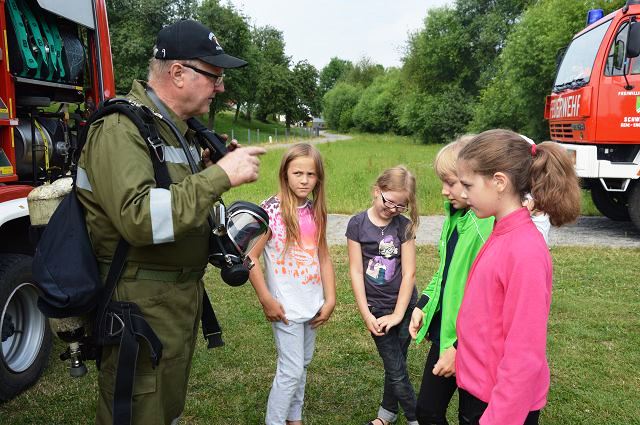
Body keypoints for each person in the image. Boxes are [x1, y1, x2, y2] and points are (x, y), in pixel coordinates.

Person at [76, 19, 266, 425]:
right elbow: (140, 219)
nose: (221, 86)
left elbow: (174, 195)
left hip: (172, 304)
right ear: (177, 73)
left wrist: (208, 169)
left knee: (163, 409)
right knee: (139, 411)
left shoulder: (172, 130)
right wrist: (220, 176)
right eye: (213, 75)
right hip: (140, 307)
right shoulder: (120, 128)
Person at [454, 129, 581, 425]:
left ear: (499, 182)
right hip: (481, 392)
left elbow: (525, 353)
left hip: (502, 408)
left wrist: (498, 418)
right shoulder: (500, 233)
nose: (462, 194)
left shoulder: (525, 251)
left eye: (468, 185)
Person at [247, 143, 336, 425]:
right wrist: (266, 299)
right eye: (297, 172)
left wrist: (330, 298)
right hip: (285, 307)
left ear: (318, 177)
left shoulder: (315, 211)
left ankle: (293, 418)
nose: (304, 180)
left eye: (311, 174)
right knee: (291, 370)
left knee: (302, 365)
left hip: (311, 304)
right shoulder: (269, 211)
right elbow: (250, 258)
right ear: (285, 173)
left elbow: (323, 256)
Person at [408, 137, 494, 425]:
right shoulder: (454, 218)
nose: (444, 191)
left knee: (472, 417)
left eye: (451, 182)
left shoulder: (487, 227)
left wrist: (459, 347)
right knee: (427, 411)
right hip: (446, 333)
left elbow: (489, 300)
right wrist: (423, 304)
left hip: (471, 343)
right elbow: (446, 274)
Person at [346, 166, 420, 425]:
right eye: (389, 202)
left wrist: (400, 314)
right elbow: (356, 271)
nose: (393, 210)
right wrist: (366, 314)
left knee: (396, 365)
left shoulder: (404, 225)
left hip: (405, 306)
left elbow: (409, 274)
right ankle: (415, 418)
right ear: (377, 191)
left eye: (401, 206)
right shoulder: (357, 224)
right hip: (377, 310)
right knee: (397, 370)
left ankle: (386, 415)